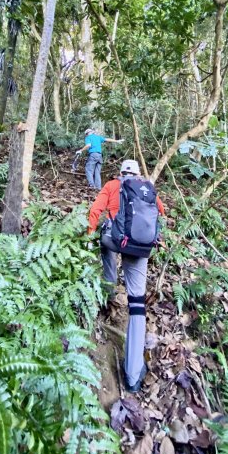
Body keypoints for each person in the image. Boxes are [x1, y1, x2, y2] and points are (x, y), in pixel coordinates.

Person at [88, 159, 165, 393]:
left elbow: (95, 210)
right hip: (139, 248)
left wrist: (89, 231)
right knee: (137, 304)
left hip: (114, 239)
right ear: (138, 174)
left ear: (120, 172)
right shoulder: (146, 189)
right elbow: (160, 211)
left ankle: (109, 291)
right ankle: (132, 375)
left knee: (107, 246)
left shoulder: (112, 185)